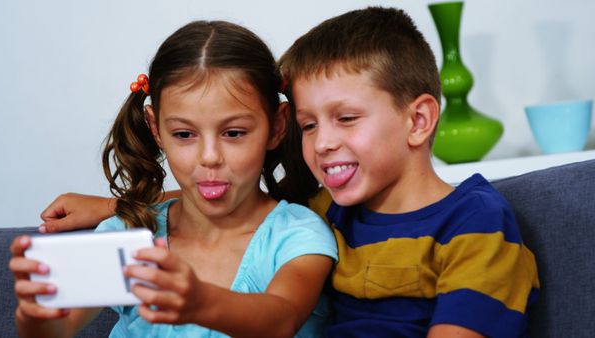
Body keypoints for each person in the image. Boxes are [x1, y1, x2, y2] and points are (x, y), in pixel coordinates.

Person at [37, 7, 540, 337]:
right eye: (308, 124)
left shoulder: (475, 222)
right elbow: (222, 195)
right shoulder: (330, 210)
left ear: (418, 119)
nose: (320, 143)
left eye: (345, 118)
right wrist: (115, 208)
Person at [9, 20, 337, 338]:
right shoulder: (127, 234)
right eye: (184, 133)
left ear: (277, 126)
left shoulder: (298, 235)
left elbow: (281, 319)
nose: (209, 156)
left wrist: (201, 302)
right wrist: (36, 318)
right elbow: (57, 330)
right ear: (156, 129)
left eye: (234, 132)